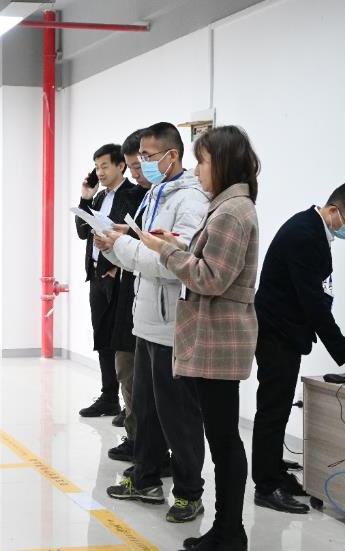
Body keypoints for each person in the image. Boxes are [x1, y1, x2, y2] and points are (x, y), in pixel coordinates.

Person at [140, 125, 260, 551]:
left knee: (224, 440)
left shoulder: (231, 212)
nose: (196, 170)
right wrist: (178, 245)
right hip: (215, 336)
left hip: (218, 338)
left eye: (202, 161)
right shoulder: (228, 207)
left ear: (222, 162)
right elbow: (211, 264)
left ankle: (230, 532)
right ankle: (227, 529)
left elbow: (211, 279)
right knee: (222, 437)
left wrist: (166, 251)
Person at [97, 122, 209, 523]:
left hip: (172, 326)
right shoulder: (155, 194)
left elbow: (173, 262)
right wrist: (112, 247)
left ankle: (189, 493)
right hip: (145, 321)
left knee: (177, 417)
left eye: (147, 156)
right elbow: (140, 257)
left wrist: (125, 244)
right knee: (144, 410)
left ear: (172, 155)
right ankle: (145, 478)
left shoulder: (191, 201)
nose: (141, 164)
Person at [252, 180, 345, 514]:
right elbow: (314, 303)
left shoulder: (310, 228)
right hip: (276, 334)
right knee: (272, 410)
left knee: (279, 408)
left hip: (284, 332)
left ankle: (275, 472)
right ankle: (265, 487)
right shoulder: (305, 235)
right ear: (334, 210)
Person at [74, 144, 135, 418]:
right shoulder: (99, 197)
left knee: (121, 340)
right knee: (102, 337)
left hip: (120, 277)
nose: (99, 172)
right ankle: (109, 397)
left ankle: (130, 405)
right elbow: (82, 232)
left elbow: (135, 235)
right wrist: (85, 198)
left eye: (104, 166)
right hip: (98, 276)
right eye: (97, 167)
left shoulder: (134, 194)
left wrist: (116, 265)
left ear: (121, 166)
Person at [107, 130, 150, 463]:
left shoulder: (163, 198)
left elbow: (159, 253)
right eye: (133, 167)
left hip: (153, 305)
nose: (136, 174)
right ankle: (138, 440)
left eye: (139, 165)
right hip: (131, 294)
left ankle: (148, 449)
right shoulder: (143, 197)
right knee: (126, 369)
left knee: (143, 380)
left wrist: (126, 240)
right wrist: (114, 244)